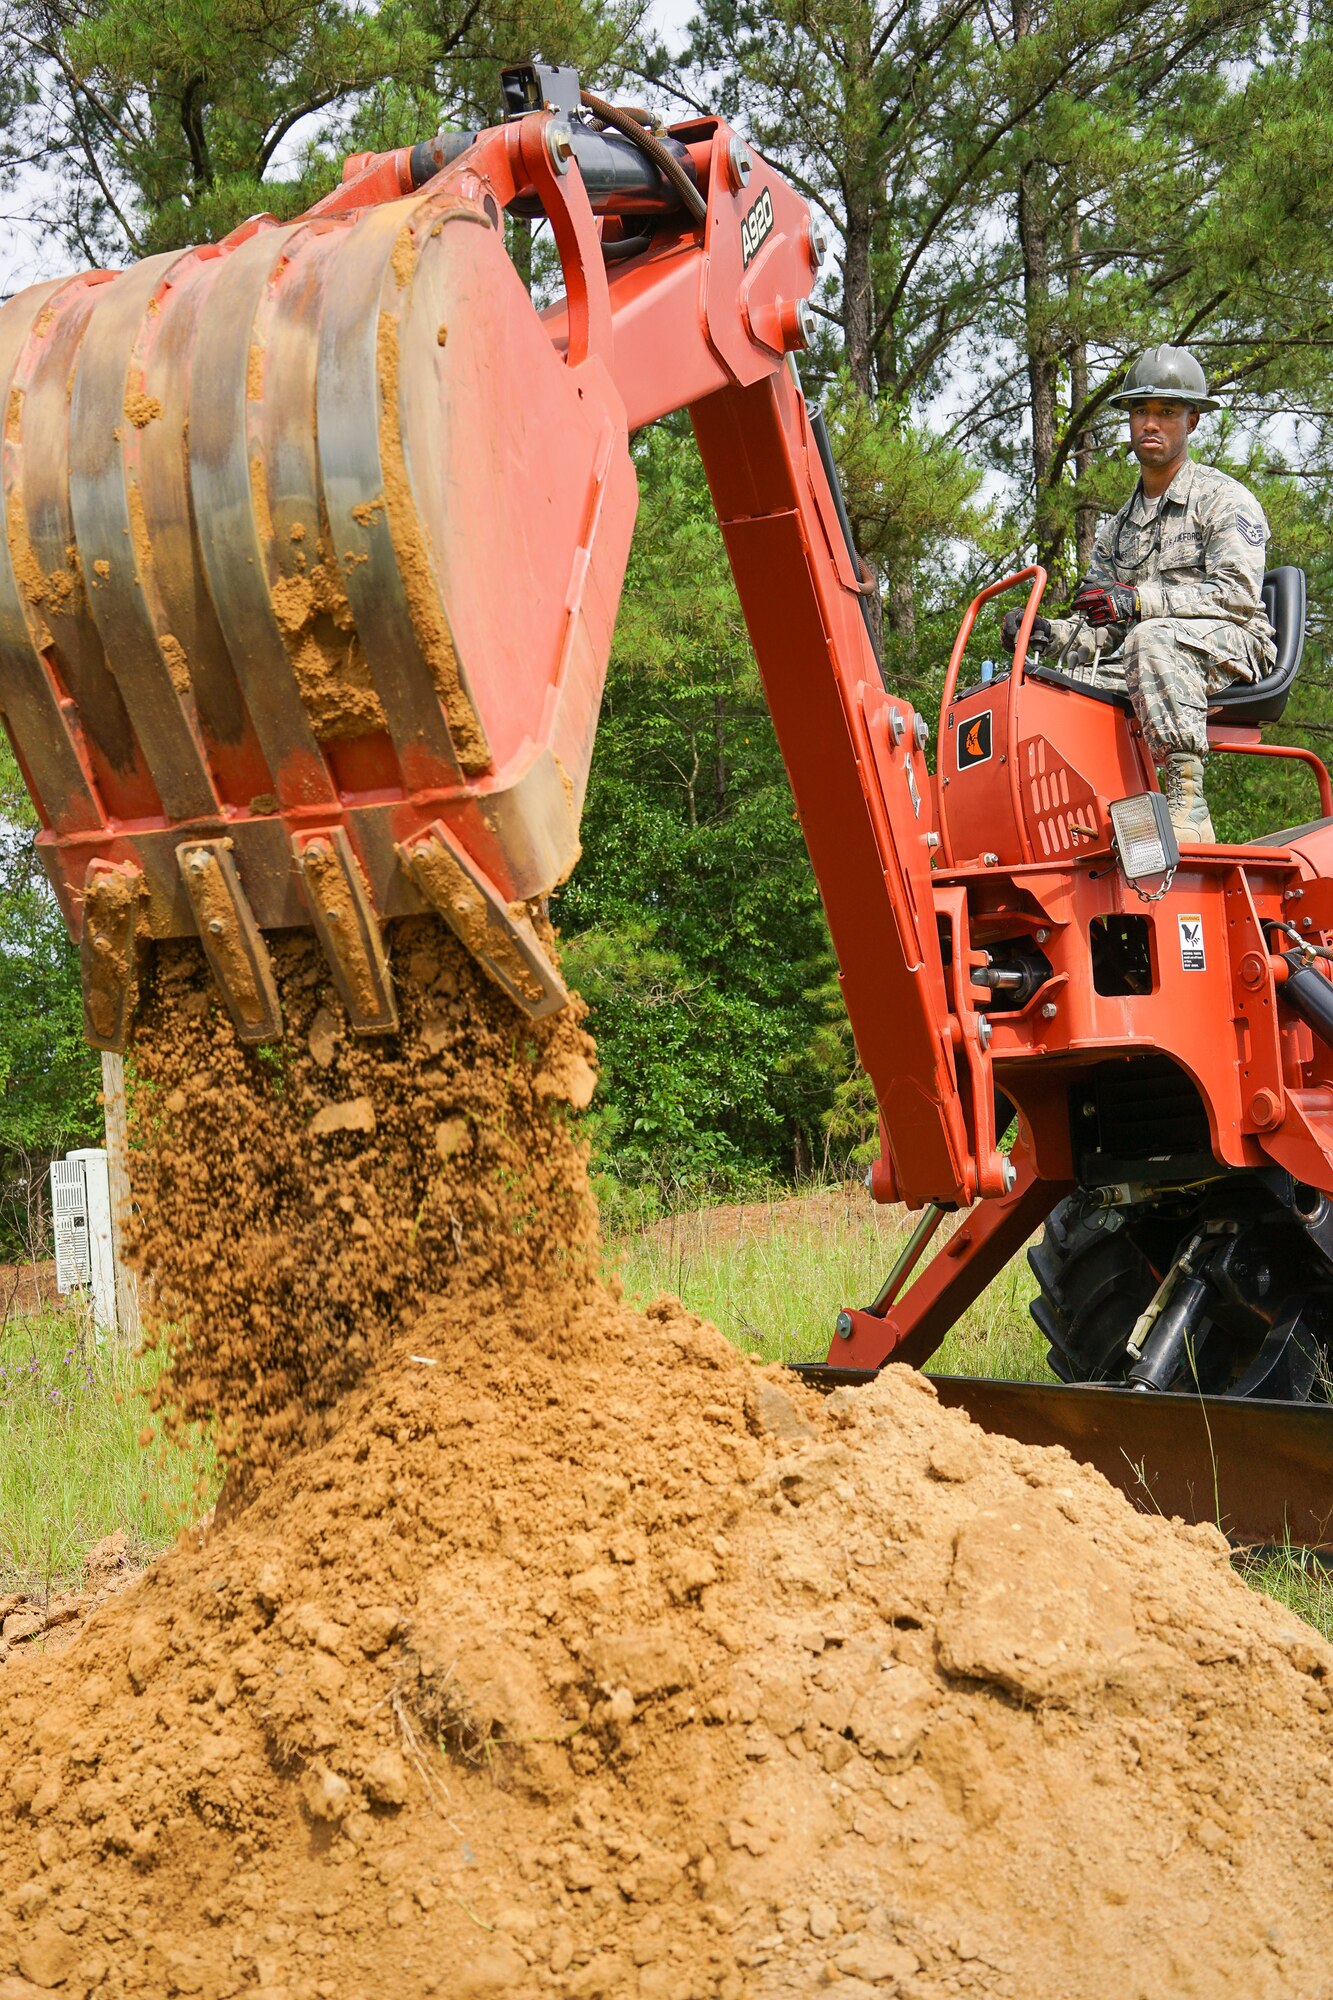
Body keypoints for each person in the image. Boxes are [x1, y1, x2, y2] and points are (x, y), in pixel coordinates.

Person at [1000, 344, 1276, 842]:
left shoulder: (1224, 500)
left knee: (1152, 637)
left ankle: (1188, 808)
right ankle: (1070, 824)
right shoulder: (1116, 530)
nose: (1151, 423)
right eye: (1141, 411)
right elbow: (1101, 628)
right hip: (1147, 652)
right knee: (1048, 686)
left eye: (1167, 412)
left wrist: (1140, 601)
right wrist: (1048, 634)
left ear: (1191, 422)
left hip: (1233, 644)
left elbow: (1236, 596)